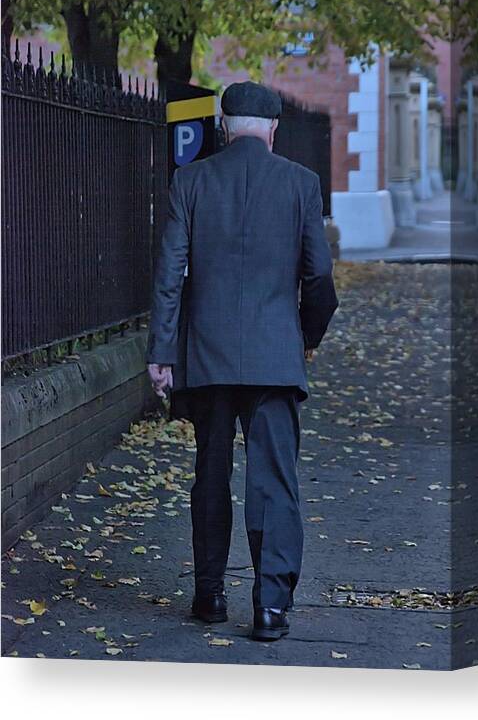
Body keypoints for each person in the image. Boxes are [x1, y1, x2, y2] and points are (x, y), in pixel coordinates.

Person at [146, 81, 338, 641]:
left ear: (224, 126)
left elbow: (169, 276)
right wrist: (303, 336)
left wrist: (162, 351)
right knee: (274, 482)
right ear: (273, 131)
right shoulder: (301, 184)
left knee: (210, 475)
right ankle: (271, 607)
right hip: (275, 357)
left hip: (205, 356)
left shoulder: (191, 180)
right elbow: (319, 277)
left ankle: (208, 595)